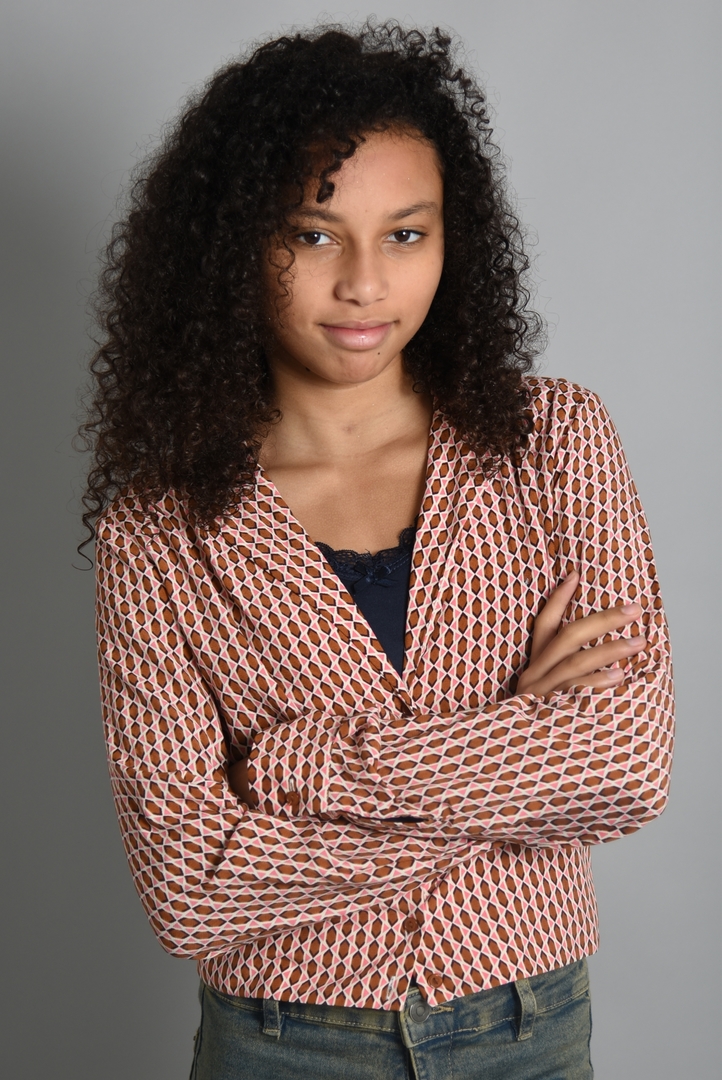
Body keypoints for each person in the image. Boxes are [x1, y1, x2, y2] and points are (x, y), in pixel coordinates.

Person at [81, 21, 674, 1080]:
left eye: (405, 234)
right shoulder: (161, 525)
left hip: (527, 1024)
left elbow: (623, 763)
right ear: (233, 246)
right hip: (282, 1040)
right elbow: (191, 888)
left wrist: (304, 768)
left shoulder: (552, 441)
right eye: (314, 236)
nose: (364, 283)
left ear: (453, 240)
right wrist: (518, 751)